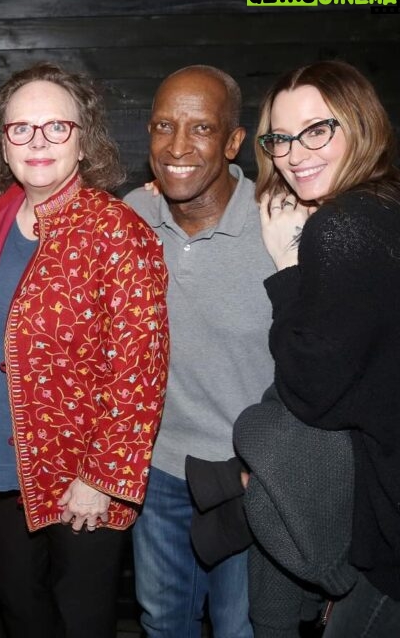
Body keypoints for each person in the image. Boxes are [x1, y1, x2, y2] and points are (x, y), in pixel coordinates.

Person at [0, 63, 169, 638]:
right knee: (20, 612)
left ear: (84, 139)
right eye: (21, 129)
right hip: (3, 471)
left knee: (81, 622)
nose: (38, 142)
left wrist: (101, 478)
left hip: (81, 477)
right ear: (2, 145)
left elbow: (140, 369)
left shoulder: (119, 233)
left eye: (56, 127)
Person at [123, 65, 274, 638]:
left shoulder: (277, 225)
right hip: (158, 471)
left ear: (234, 141)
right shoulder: (134, 217)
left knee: (243, 629)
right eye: (165, 126)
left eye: (202, 129)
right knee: (164, 624)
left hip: (249, 479)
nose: (178, 146)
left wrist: (276, 469)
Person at [253, 60, 400, 637]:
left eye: (318, 130)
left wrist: (286, 268)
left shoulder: (340, 225)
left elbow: (311, 390)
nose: (295, 153)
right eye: (282, 138)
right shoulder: (385, 204)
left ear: (361, 124)